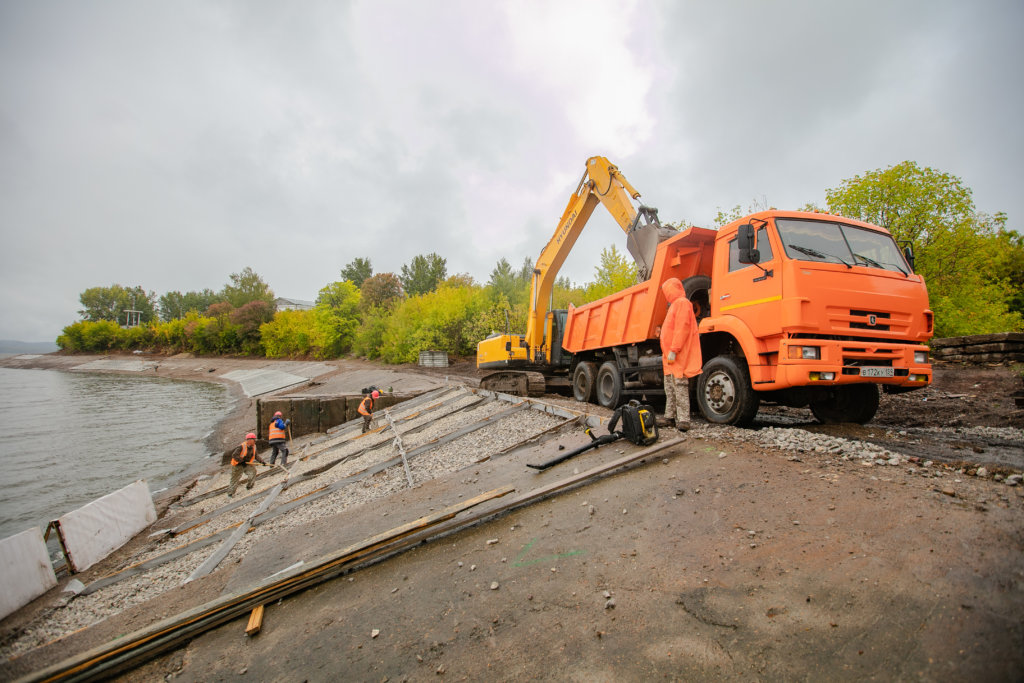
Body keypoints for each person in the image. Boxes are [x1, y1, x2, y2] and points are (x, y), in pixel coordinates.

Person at [660, 278, 703, 432]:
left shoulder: (682, 303)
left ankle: (684, 419)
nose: (665, 293)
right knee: (670, 387)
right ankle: (669, 417)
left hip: (676, 355)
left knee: (679, 385)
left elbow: (682, 327)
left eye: (666, 290)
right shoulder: (675, 305)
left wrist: (674, 350)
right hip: (669, 356)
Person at [228, 432, 266, 497]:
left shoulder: (254, 446)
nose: (255, 441)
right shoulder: (241, 447)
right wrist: (241, 461)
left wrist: (262, 461)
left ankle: (249, 487)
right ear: (249, 440)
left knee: (253, 472)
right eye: (254, 439)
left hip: (247, 464)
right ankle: (231, 493)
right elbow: (234, 455)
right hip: (238, 465)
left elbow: (256, 455)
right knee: (235, 479)